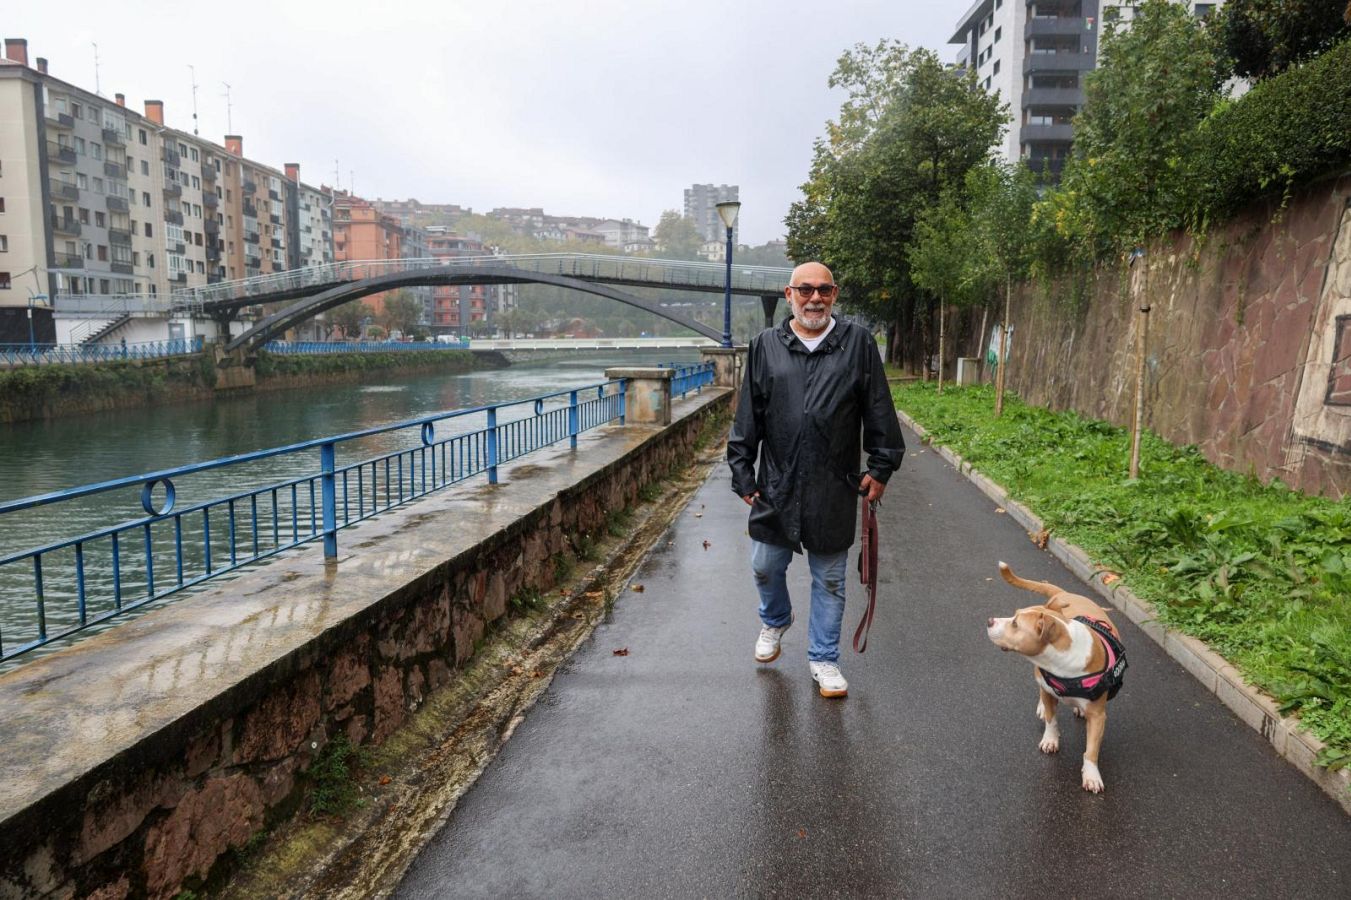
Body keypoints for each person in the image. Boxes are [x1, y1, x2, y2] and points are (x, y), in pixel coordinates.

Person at [727, 262, 904, 698]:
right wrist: (742, 469)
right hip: (777, 483)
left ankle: (824, 659)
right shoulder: (766, 346)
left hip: (833, 484)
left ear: (834, 294)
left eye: (823, 290)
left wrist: (881, 468)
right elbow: (748, 415)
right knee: (765, 565)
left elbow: (878, 408)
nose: (814, 298)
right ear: (789, 295)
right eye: (805, 290)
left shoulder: (857, 343)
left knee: (830, 579)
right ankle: (776, 620)